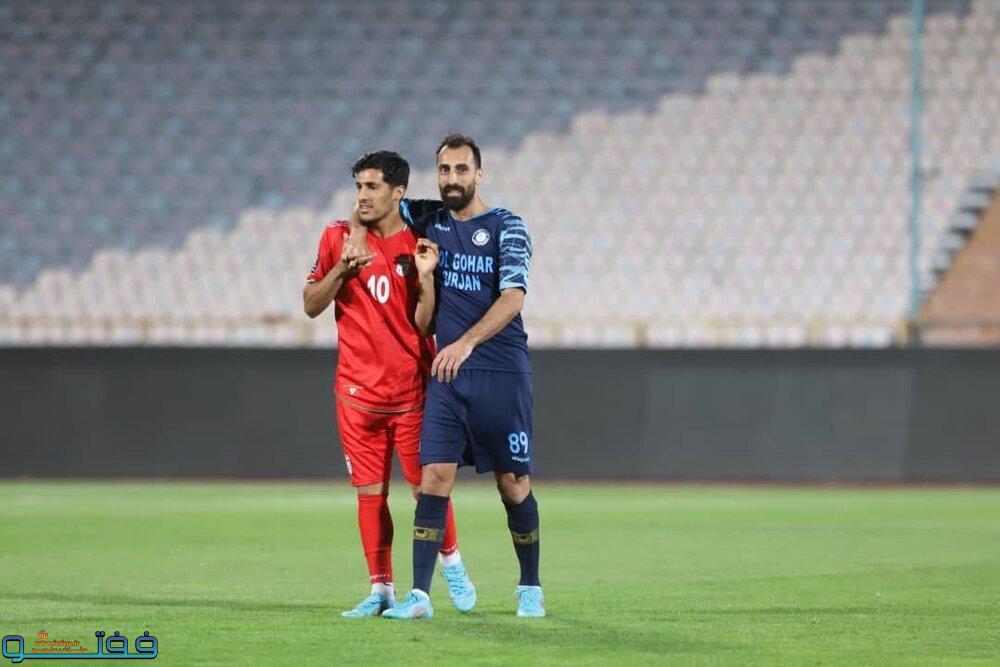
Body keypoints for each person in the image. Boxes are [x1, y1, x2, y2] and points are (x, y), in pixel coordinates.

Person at [375, 134, 544, 619]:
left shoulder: (508, 226)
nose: (452, 178)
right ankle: (420, 596)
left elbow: (513, 297)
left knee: (512, 484)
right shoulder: (429, 219)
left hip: (500, 372)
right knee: (433, 477)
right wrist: (355, 232)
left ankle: (530, 586)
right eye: (444, 170)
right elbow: (378, 203)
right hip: (448, 376)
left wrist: (467, 342)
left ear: (479, 174)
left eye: (461, 169)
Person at [303, 150, 475, 618]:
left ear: (398, 192)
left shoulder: (419, 240)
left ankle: (453, 562)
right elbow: (311, 304)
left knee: (426, 491)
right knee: (369, 495)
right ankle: (381, 590)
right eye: (358, 186)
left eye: (372, 186)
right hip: (356, 395)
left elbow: (424, 325)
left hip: (411, 392)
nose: (362, 195)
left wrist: (426, 280)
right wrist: (342, 268)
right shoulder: (336, 237)